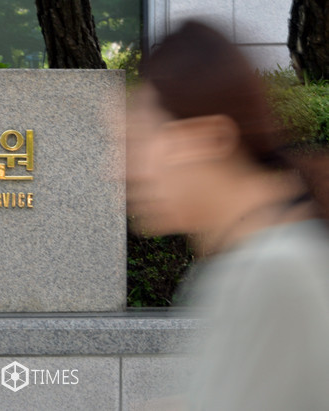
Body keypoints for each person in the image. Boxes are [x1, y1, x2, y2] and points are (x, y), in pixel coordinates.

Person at [127, 20, 329, 410]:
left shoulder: (274, 270)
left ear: (210, 139)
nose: (125, 170)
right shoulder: (246, 263)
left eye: (140, 140)